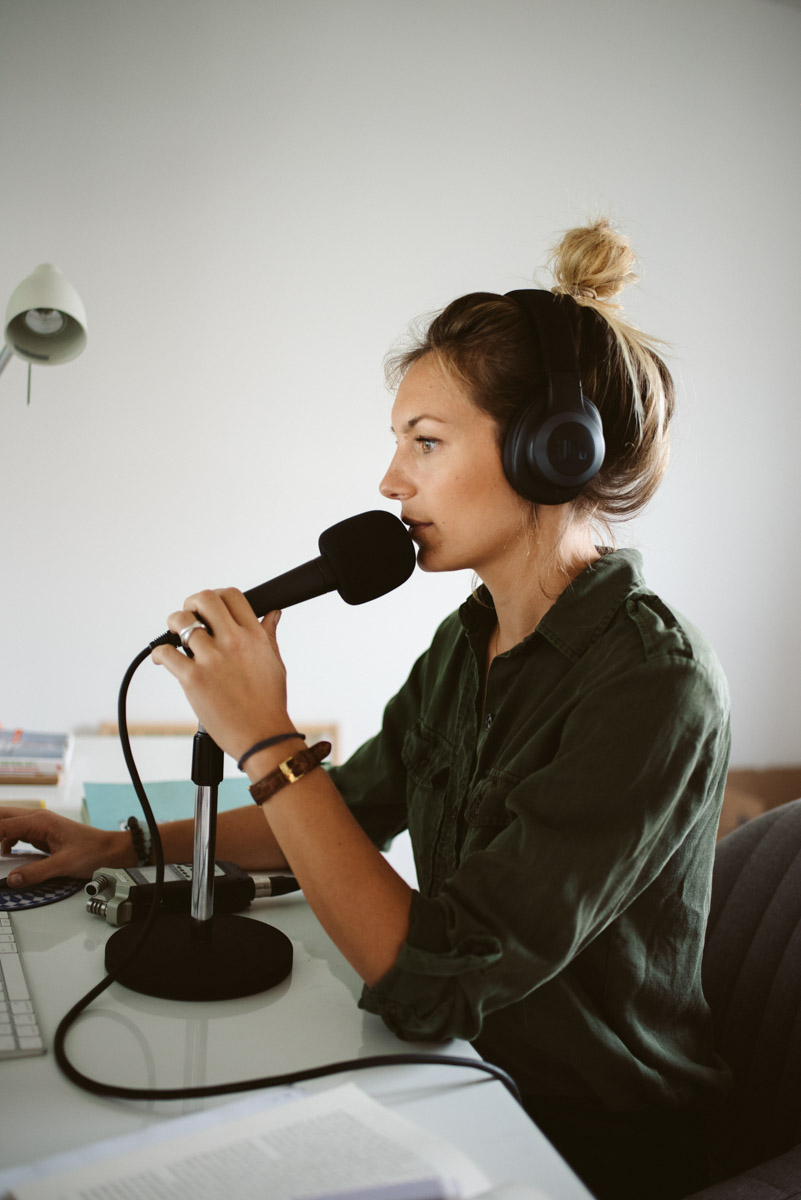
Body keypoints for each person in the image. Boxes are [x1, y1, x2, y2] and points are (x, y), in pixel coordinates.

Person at [0, 219, 731, 1200]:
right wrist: (121, 847)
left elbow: (431, 983)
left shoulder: (654, 685)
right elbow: (343, 808)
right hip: (468, 1072)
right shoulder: (469, 640)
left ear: (553, 452)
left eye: (425, 443)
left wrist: (264, 738)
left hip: (590, 1141)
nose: (391, 483)